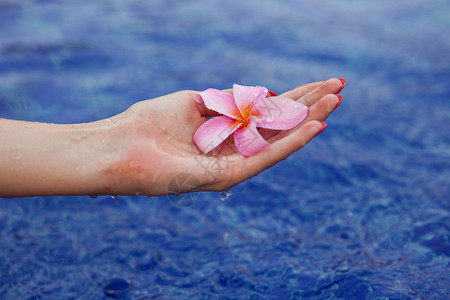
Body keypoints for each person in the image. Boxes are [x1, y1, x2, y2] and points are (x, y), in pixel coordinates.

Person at [0, 78, 345, 197]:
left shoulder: (238, 112)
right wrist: (119, 144)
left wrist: (116, 147)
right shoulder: (228, 117)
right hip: (236, 122)